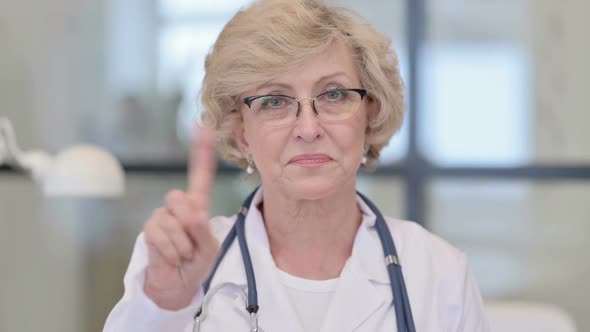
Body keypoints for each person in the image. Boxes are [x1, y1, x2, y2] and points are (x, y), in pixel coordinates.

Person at [104, 0, 489, 331]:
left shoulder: (438, 271)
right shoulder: (178, 264)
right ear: (242, 133)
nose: (308, 128)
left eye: (334, 94)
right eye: (274, 101)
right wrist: (165, 306)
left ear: (370, 114)